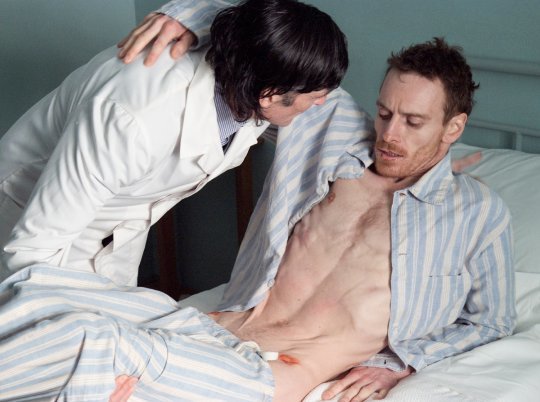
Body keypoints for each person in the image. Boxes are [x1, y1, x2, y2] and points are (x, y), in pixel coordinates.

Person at [0, 38, 515, 402]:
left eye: (414, 122)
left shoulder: (477, 212)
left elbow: (490, 321)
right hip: (201, 325)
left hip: (267, 371)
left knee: (91, 340)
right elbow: (260, 39)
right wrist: (181, 13)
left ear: (454, 128)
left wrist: (397, 363)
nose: (389, 134)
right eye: (385, 113)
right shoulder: (333, 130)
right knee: (39, 290)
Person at [0, 0, 348, 285]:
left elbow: (331, 114)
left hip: (117, 229)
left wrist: (192, 12)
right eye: (315, 96)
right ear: (269, 95)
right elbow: (32, 252)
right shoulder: (135, 116)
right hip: (33, 220)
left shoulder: (253, 69)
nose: (321, 104)